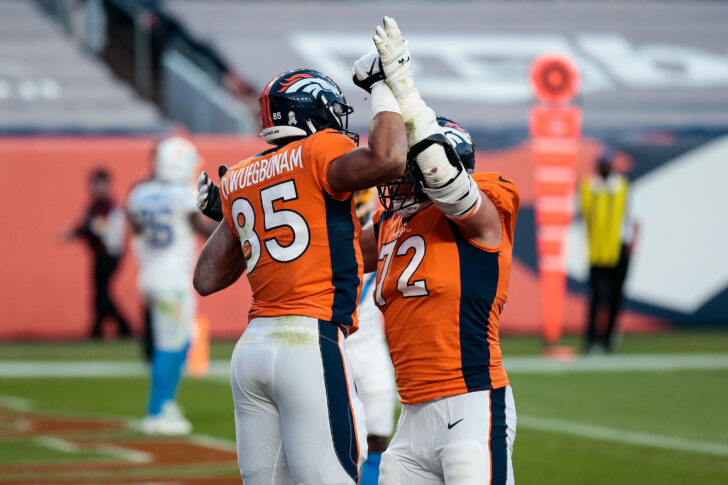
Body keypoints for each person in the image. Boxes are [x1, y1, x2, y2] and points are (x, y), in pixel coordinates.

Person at [192, 18, 408, 484]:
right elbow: (390, 159)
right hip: (308, 340)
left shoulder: (240, 176)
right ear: (311, 116)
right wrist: (387, 89)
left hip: (251, 351)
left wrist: (230, 212)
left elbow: (206, 280)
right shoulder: (317, 151)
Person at [353, 27, 520, 482]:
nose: (398, 179)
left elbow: (446, 184)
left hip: (470, 404)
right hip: (412, 418)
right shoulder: (391, 224)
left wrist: (402, 89)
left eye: (410, 169)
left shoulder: (487, 207)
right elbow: (334, 255)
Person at [126, 137, 217, 435]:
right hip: (173, 280)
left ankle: (166, 404)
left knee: (178, 341)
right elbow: (204, 229)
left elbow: (135, 223)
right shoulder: (183, 195)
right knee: (171, 345)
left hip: (150, 275)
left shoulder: (140, 193)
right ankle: (158, 409)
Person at [347, 188, 397, 485]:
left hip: (368, 340)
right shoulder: (326, 229)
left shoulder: (382, 227)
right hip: (334, 338)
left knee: (378, 427)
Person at [579, 146, 640, 353]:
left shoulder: (622, 187)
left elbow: (635, 218)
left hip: (618, 249)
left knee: (615, 296)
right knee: (595, 297)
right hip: (597, 251)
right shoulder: (589, 187)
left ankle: (608, 339)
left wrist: (633, 243)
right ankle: (592, 339)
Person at [63, 168, 132, 340]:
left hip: (109, 254)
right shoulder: (95, 205)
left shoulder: (107, 205)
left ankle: (124, 327)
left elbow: (96, 228)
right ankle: (98, 330)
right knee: (99, 294)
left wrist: (74, 233)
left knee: (102, 295)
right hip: (101, 254)